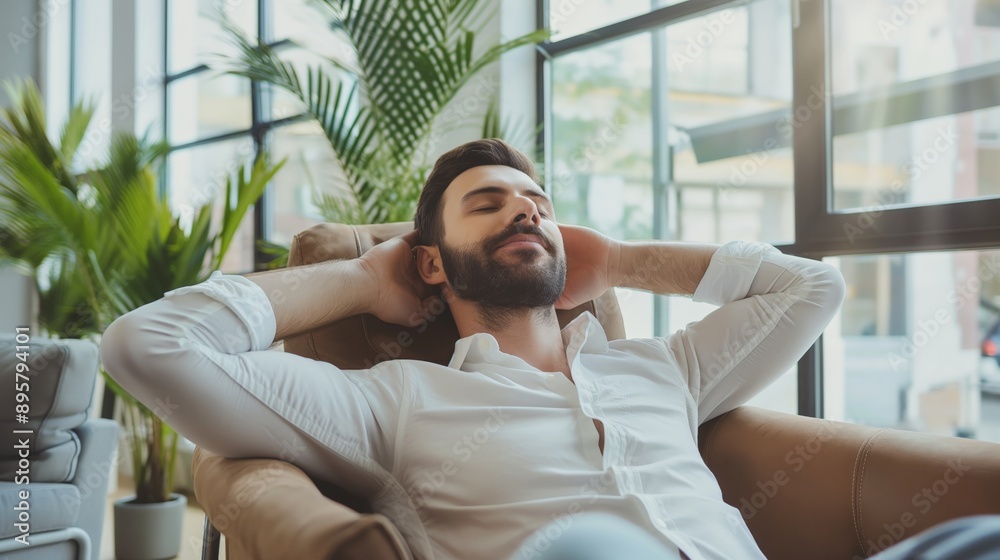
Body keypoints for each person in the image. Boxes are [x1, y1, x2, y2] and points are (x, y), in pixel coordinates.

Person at [100, 139, 997, 559]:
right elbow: (148, 347)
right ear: (431, 262)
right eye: (487, 203)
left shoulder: (659, 370)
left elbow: (812, 287)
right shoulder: (394, 401)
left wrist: (628, 261)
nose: (526, 209)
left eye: (536, 200)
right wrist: (362, 281)